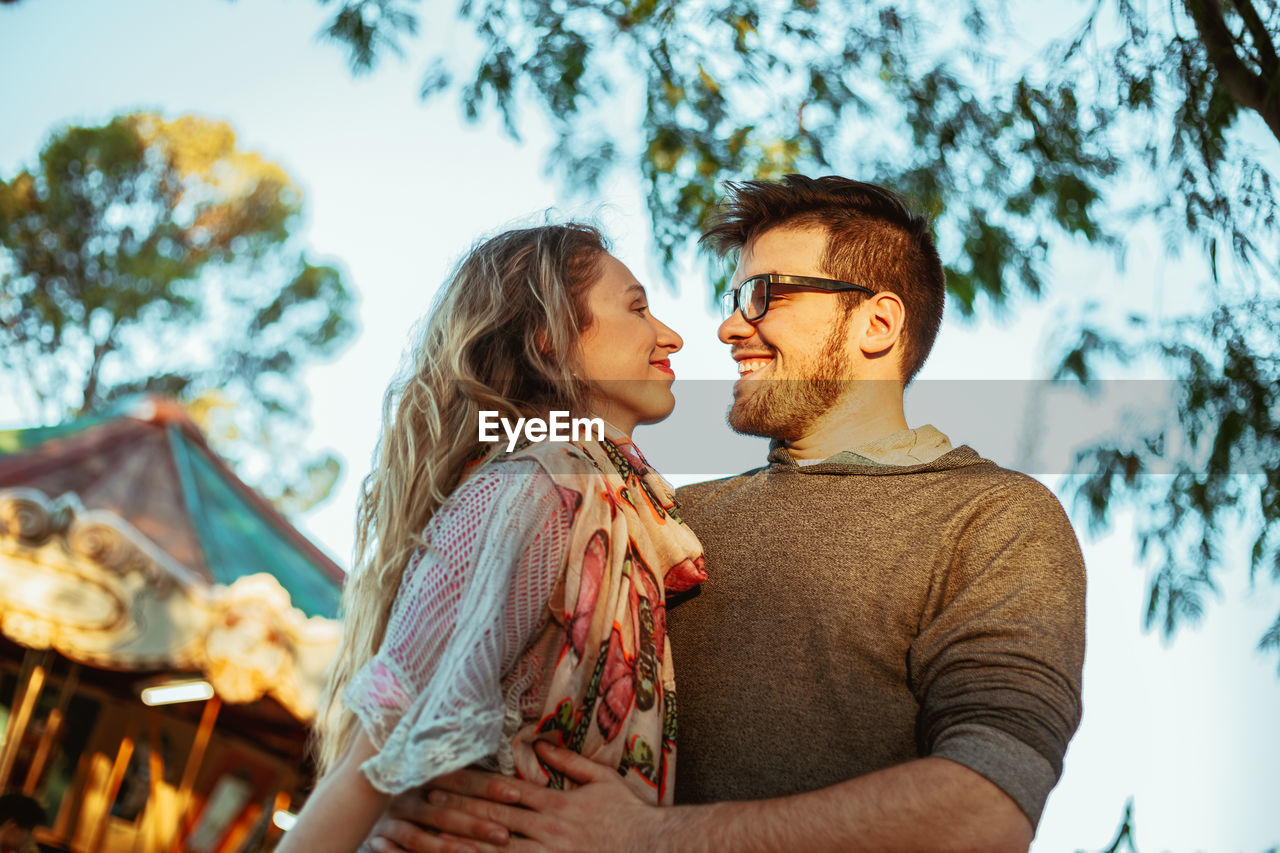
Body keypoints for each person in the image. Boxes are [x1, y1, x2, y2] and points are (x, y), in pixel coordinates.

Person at [369, 176, 1086, 853]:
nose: (725, 326)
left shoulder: (994, 518)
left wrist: (646, 838)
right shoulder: (663, 521)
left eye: (761, 294)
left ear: (876, 322)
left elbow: (984, 808)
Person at [278, 223, 706, 853]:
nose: (670, 335)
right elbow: (379, 744)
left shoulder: (612, 499)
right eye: (637, 308)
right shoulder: (532, 488)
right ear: (552, 339)